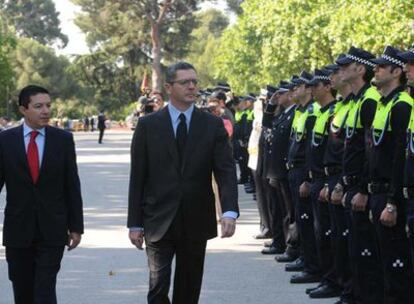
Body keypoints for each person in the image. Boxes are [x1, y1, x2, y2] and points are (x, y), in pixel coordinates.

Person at [127, 62, 239, 304]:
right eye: (185, 82)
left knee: (188, 289)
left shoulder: (211, 125)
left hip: (196, 218)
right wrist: (134, 223)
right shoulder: (148, 125)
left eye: (194, 82)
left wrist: (229, 211)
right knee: (157, 287)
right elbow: (138, 177)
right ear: (169, 87)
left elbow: (225, 171)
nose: (192, 87)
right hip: (158, 219)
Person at [0, 85, 84, 304]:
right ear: (23, 110)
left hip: (53, 229)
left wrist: (76, 227)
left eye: (48, 105)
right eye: (38, 106)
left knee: (44, 291)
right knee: (22, 291)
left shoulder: (63, 139)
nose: (45, 111)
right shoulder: (5, 141)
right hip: (18, 230)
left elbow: (71, 185)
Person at [367, 46, 414, 304]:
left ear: (395, 72)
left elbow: (399, 158)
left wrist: (392, 201)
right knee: (384, 261)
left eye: (382, 66)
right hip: (381, 191)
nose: (377, 69)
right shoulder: (387, 104)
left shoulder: (403, 105)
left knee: (398, 266)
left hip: (392, 194)